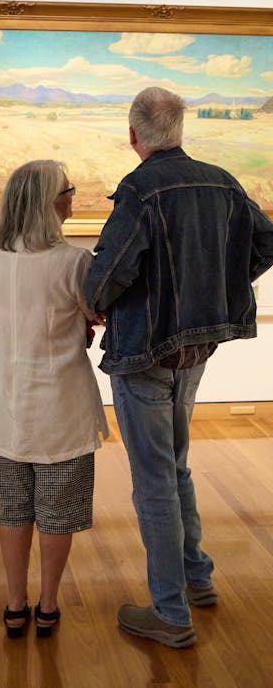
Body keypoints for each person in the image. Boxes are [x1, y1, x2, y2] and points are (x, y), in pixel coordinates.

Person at [84, 86, 273, 648]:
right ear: (181, 130)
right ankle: (196, 577)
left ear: (134, 134)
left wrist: (95, 300)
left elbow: (110, 270)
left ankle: (170, 613)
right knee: (177, 465)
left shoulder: (139, 190)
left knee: (154, 483)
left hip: (145, 351)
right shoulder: (223, 181)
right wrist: (223, 285)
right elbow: (265, 242)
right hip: (197, 349)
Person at [0, 159, 108, 639]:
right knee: (58, 510)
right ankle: (48, 606)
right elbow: (99, 313)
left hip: (0, 400)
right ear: (48, 204)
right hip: (59, 405)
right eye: (68, 190)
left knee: (13, 506)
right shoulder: (75, 262)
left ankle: (15, 605)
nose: (74, 196)